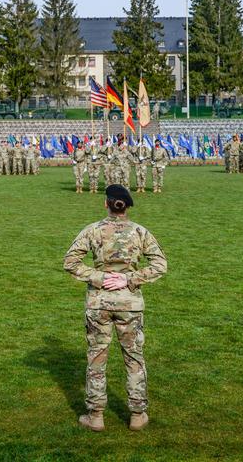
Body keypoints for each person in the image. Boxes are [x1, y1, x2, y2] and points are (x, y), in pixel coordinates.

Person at [63, 184, 167, 432]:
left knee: (97, 358)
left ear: (106, 204)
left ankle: (96, 415)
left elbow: (70, 262)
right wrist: (130, 279)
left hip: (99, 303)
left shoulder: (93, 230)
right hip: (129, 305)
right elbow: (160, 265)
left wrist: (99, 278)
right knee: (134, 358)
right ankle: (137, 414)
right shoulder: (140, 232)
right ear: (127, 207)